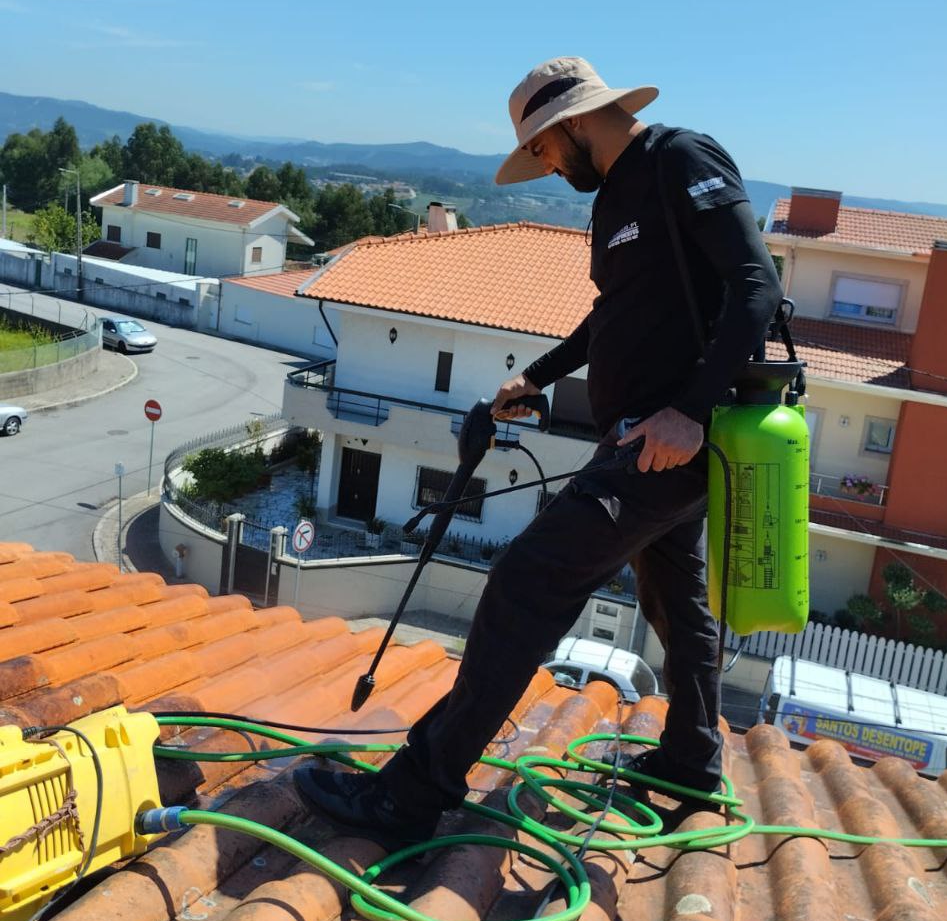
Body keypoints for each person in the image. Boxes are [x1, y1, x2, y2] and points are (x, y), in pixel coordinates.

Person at [295, 56, 783, 845]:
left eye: (548, 152)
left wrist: (688, 412)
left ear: (571, 125)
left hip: (669, 442)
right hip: (641, 438)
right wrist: (538, 376)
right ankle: (690, 761)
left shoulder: (679, 159)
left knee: (527, 582)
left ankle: (413, 795)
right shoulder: (619, 195)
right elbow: (614, 313)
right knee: (673, 599)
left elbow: (753, 284)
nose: (550, 168)